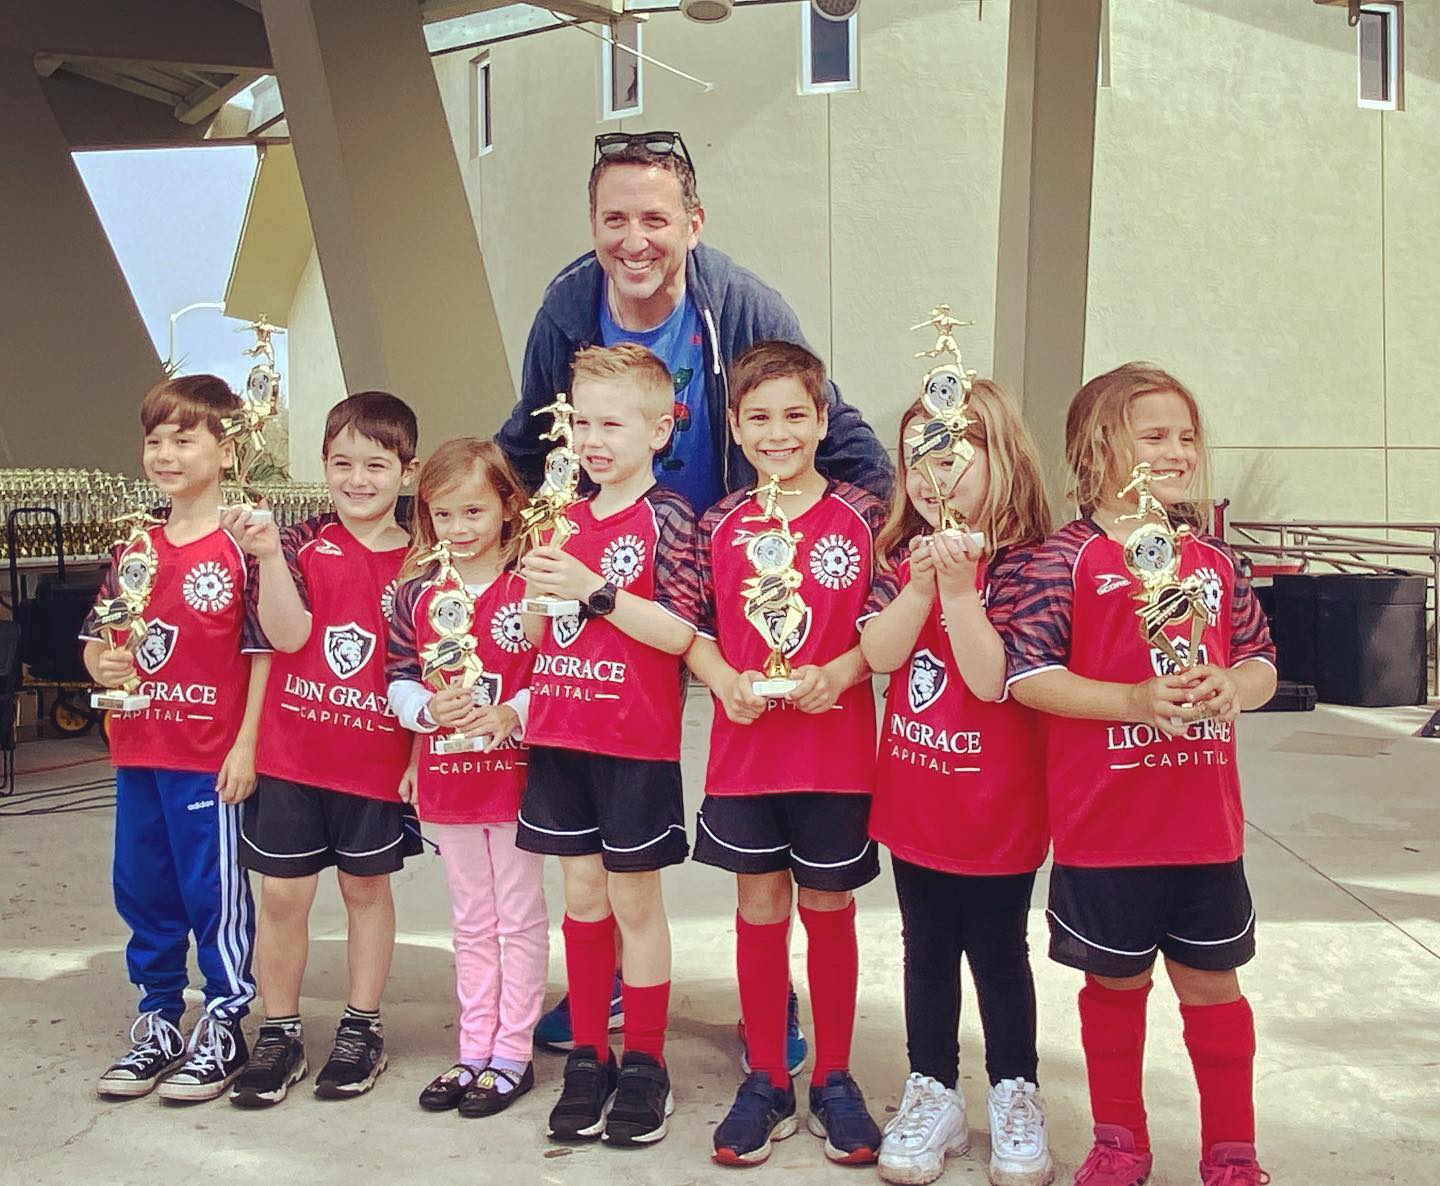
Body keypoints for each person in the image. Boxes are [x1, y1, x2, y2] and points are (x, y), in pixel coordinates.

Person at [998, 363, 1276, 1186]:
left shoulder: (1215, 562)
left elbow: (1261, 661)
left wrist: (1236, 687)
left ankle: (1233, 1147)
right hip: (1105, 832)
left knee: (1213, 987)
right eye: (1152, 435)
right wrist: (1131, 697)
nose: (1176, 450)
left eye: (1186, 436)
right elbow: (1027, 676)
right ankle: (1120, 1139)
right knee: (1115, 987)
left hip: (1203, 831)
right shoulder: (1066, 560)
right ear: (1095, 449)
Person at [686, 341, 886, 1168]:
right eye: (759, 418)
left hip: (835, 753)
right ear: (734, 426)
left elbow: (884, 626)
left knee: (830, 910)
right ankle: (767, 1076)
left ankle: (835, 1076)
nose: (777, 432)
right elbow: (692, 628)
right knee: (760, 907)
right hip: (747, 754)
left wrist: (838, 670)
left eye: (794, 416)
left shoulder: (866, 518)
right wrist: (724, 677)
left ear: (822, 420)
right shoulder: (717, 524)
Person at [860, 383, 1055, 1186]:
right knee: (925, 946)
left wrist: (961, 592)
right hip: (917, 793)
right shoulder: (896, 551)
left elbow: (988, 680)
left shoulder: (1036, 562)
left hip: (998, 805)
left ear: (999, 459)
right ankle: (932, 1086)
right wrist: (917, 585)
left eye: (950, 457)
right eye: (916, 461)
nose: (931, 475)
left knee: (1000, 950)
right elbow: (877, 655)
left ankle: (1015, 1089)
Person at [496, 129, 893, 516]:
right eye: (615, 219)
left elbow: (830, 428)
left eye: (654, 220)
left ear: (693, 226)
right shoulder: (565, 314)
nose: (634, 243)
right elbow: (528, 445)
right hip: (605, 565)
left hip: (729, 555)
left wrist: (890, 529)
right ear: (594, 223)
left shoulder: (742, 308)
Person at [515, 343, 701, 1147]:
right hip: (559, 735)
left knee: (634, 902)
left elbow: (681, 632)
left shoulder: (669, 518)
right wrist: (534, 588)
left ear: (660, 429)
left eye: (612, 423)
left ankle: (648, 1063)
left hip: (633, 743)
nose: (592, 438)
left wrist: (592, 591)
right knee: (581, 899)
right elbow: (528, 634)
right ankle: (588, 1052)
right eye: (581, 421)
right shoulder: (559, 518)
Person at [225, 391, 421, 1107]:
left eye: (376, 464)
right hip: (292, 756)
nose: (358, 479)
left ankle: (362, 1026)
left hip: (375, 760)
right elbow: (285, 638)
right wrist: (272, 558)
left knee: (366, 890)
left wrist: (418, 759)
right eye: (343, 463)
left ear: (408, 470)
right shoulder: (300, 541)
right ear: (323, 466)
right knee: (281, 895)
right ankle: (278, 1030)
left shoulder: (425, 559)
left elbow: (434, 666)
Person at [85, 375, 268, 1102]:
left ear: (225, 451)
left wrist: (247, 745)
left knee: (212, 894)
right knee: (142, 887)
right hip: (139, 750)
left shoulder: (243, 544)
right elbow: (99, 643)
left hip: (208, 759)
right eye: (155, 438)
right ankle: (158, 1016)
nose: (165, 452)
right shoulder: (136, 545)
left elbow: (263, 656)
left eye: (184, 437)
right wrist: (106, 660)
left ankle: (225, 1021)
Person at [385, 438, 549, 1118]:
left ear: (510, 506)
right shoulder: (416, 593)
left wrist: (514, 711)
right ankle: (473, 1046)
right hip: (449, 779)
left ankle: (514, 1052)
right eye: (442, 515)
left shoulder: (533, 585)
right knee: (470, 918)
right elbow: (396, 679)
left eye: (473, 511)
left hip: (515, 779)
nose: (458, 529)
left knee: (518, 915)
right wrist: (426, 712)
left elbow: (555, 673)